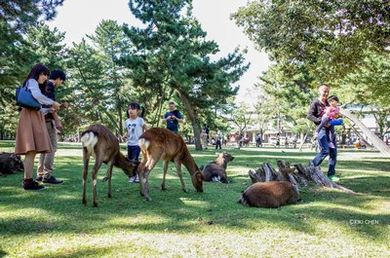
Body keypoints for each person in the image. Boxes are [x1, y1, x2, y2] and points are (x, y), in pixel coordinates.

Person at [15, 64, 61, 190]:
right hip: (29, 117)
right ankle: (28, 181)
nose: (45, 77)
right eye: (43, 74)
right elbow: (37, 96)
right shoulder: (32, 81)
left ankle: (28, 180)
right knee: (30, 150)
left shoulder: (34, 84)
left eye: (47, 75)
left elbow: (37, 106)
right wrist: (52, 102)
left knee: (32, 151)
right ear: (37, 73)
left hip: (34, 116)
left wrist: (48, 108)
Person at [36, 70, 66, 184]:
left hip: (40, 119)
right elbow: (50, 105)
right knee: (52, 147)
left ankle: (40, 174)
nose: (61, 84)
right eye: (62, 81)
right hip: (47, 120)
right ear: (58, 79)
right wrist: (57, 121)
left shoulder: (43, 85)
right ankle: (47, 175)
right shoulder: (50, 86)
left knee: (44, 148)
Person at [307, 84, 339, 182]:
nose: (326, 93)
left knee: (333, 152)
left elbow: (333, 114)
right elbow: (309, 115)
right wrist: (320, 121)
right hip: (321, 130)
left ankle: (331, 174)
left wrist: (335, 118)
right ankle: (310, 167)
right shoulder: (315, 103)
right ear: (319, 91)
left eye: (327, 91)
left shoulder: (330, 103)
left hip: (331, 130)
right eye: (324, 91)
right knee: (325, 150)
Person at [125, 102, 146, 183]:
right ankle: (132, 176)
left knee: (135, 160)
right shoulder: (126, 121)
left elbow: (146, 128)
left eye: (133, 109)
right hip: (129, 144)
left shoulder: (140, 120)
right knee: (130, 161)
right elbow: (128, 132)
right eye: (129, 109)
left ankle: (137, 176)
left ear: (138, 111)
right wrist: (124, 136)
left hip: (138, 144)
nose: (130, 110)